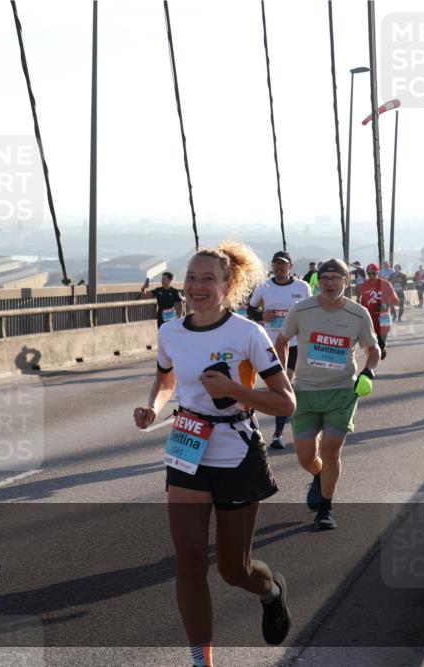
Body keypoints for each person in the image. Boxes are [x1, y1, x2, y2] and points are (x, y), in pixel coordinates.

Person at [133, 242, 295, 667]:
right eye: (192, 277)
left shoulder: (247, 334)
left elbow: (286, 403)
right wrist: (153, 407)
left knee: (233, 570)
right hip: (187, 446)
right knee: (188, 561)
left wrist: (234, 391)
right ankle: (200, 661)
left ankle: (271, 591)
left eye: (208, 279)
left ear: (228, 284)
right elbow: (165, 379)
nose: (197, 286)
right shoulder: (170, 332)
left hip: (236, 450)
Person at [276, 259, 380, 531]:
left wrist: (368, 372)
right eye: (324, 279)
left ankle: (326, 507)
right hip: (305, 392)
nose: (329, 283)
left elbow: (373, 349)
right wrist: (283, 375)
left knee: (331, 450)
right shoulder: (301, 309)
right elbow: (282, 341)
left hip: (342, 391)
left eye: (335, 278)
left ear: (346, 281)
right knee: (305, 457)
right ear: (318, 281)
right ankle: (319, 475)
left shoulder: (358, 314)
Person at [248, 251, 311, 449]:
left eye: (283, 265)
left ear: (290, 267)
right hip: (270, 346)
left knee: (284, 385)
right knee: (279, 388)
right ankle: (287, 416)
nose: (279, 268)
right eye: (276, 264)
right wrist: (262, 315)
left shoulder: (302, 287)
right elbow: (250, 309)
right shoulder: (264, 286)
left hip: (294, 345)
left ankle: (278, 433)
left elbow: (311, 311)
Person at [359, 263, 399, 359]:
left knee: (381, 342)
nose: (371, 275)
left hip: (383, 316)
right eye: (369, 273)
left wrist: (386, 305)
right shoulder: (364, 285)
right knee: (371, 340)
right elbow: (363, 302)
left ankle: (381, 347)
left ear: (378, 273)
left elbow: (396, 301)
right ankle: (374, 353)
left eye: (374, 273)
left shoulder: (386, 284)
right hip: (370, 316)